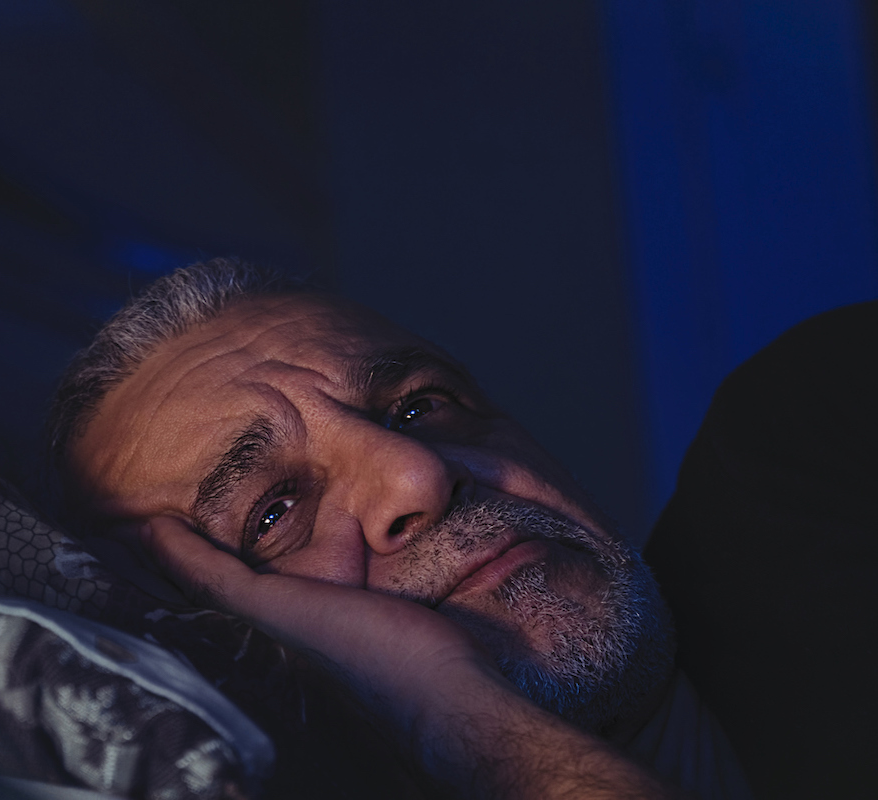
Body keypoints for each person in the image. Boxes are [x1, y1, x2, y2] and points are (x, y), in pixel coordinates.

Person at [49, 259, 752, 799]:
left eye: (419, 408)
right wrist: (446, 708)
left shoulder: (815, 462)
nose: (419, 476)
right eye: (274, 513)